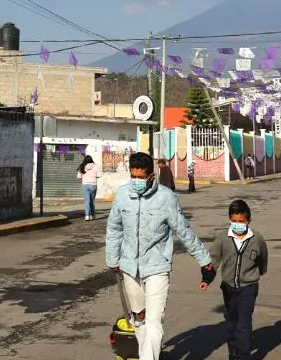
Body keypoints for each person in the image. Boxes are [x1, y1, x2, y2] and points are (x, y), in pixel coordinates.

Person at [106, 152, 213, 360]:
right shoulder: (123, 195)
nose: (136, 181)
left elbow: (183, 231)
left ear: (151, 176)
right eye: (133, 176)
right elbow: (114, 229)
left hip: (157, 267)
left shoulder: (166, 197)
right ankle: (146, 354)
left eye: (141, 177)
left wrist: (204, 259)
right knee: (139, 318)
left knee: (154, 322)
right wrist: (112, 259)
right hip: (129, 267)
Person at [200, 199, 268, 360]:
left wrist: (260, 272)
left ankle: (243, 355)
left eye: (241, 221)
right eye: (234, 221)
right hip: (229, 287)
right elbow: (213, 260)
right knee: (232, 322)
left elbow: (263, 257)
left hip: (249, 287)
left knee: (244, 323)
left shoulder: (257, 238)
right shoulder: (223, 238)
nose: (237, 225)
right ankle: (233, 351)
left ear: (248, 220)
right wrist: (206, 279)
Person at [77, 155, 101, 221]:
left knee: (87, 201)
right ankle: (92, 215)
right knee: (92, 201)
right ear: (91, 159)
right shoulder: (96, 166)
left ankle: (87, 216)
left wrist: (84, 177)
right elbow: (99, 175)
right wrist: (93, 176)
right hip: (93, 185)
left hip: (85, 185)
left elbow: (78, 176)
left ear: (85, 160)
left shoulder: (82, 166)